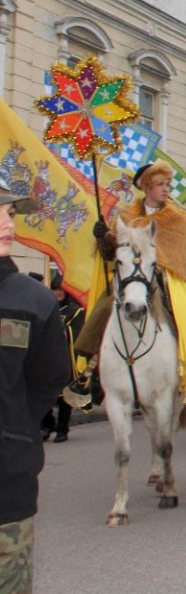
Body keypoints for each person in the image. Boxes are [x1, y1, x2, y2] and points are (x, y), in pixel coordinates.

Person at [75, 161, 186, 408]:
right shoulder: (125, 216)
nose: (166, 189)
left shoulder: (177, 217)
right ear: (147, 187)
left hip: (167, 277)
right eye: (160, 185)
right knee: (107, 306)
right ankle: (88, 368)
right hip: (132, 276)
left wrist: (159, 266)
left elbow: (180, 253)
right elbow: (111, 254)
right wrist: (103, 238)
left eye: (167, 184)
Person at [0, 182, 71, 592]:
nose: (10, 223)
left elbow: (47, 378)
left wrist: (13, 429)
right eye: (2, 213)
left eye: (11, 212)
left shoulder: (35, 300)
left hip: (6, 480)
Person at [39, 272, 83, 443]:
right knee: (44, 395)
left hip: (65, 358)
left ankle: (62, 429)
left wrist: (65, 333)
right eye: (54, 289)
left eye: (60, 290)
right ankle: (47, 425)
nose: (57, 293)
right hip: (47, 358)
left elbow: (78, 332)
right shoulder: (47, 309)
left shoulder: (75, 310)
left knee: (65, 397)